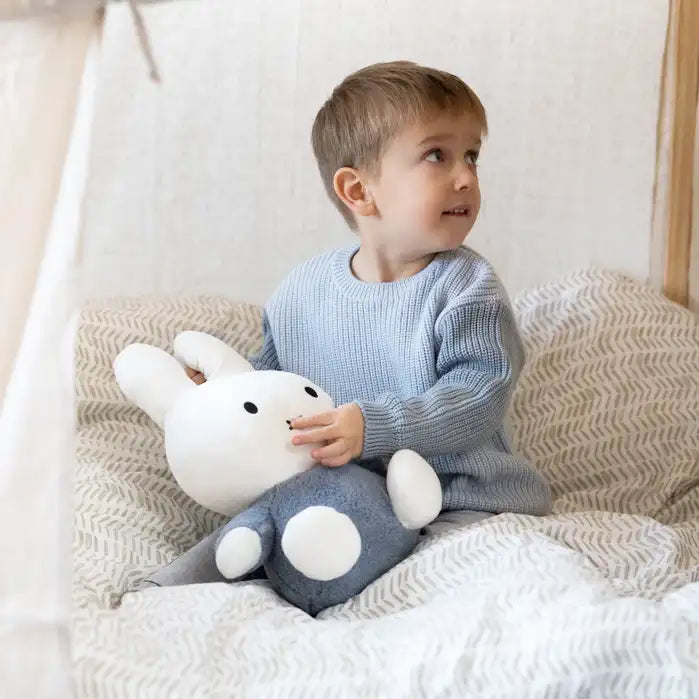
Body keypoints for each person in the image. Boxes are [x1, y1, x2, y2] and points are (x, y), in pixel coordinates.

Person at [144, 60, 551, 591]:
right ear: (359, 191)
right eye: (437, 155)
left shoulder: (468, 287)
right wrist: (220, 392)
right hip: (341, 498)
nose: (466, 177)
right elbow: (274, 385)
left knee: (452, 574)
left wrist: (374, 427)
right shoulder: (301, 292)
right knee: (262, 529)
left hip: (460, 501)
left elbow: (479, 397)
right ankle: (161, 593)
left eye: (471, 155)